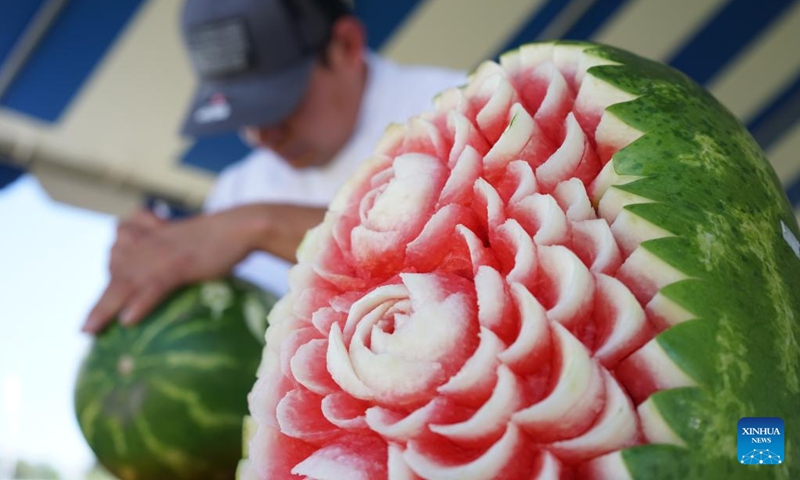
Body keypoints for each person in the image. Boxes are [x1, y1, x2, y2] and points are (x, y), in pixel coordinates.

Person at [81, 0, 465, 333]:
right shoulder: (236, 192)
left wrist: (261, 225)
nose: (261, 137)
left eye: (279, 105)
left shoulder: (462, 110)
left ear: (346, 46)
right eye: (243, 114)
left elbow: (474, 245)